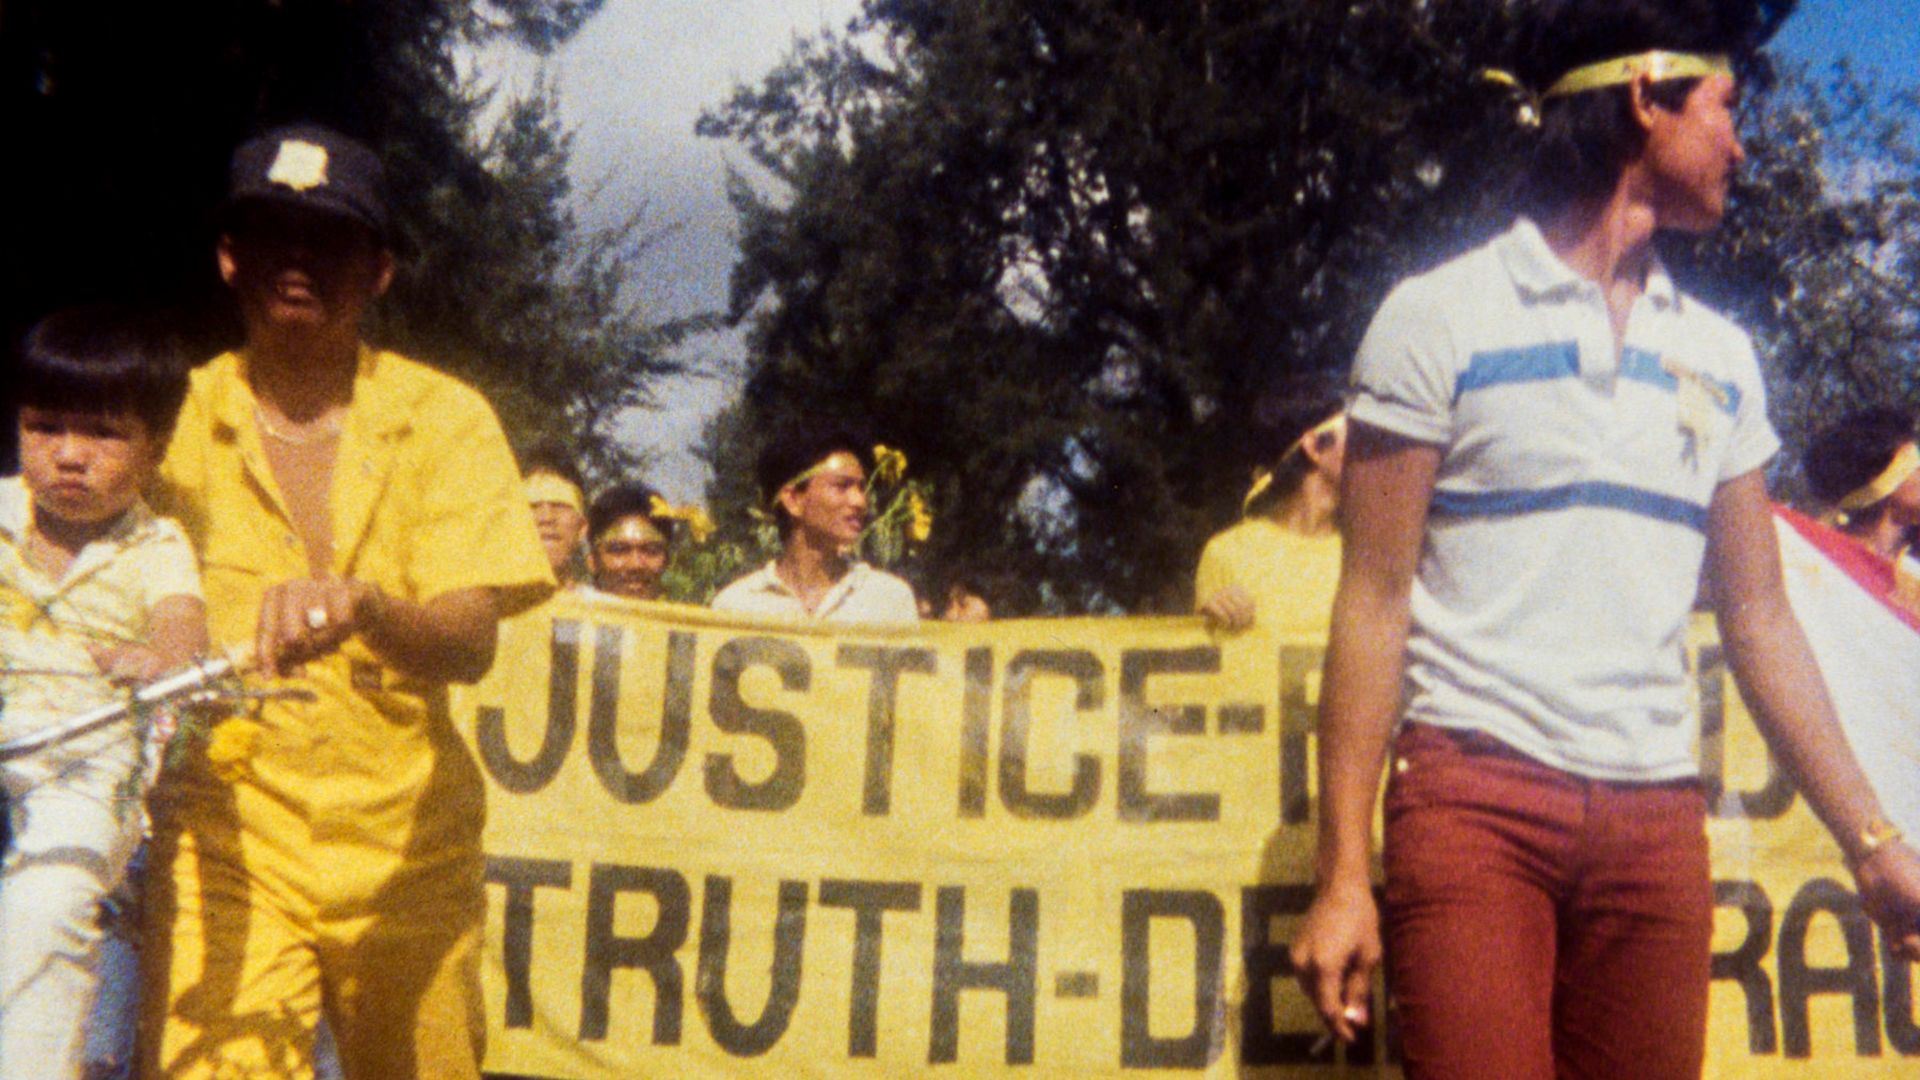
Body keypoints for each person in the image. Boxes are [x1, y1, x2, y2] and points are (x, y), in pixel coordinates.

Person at [1287, 6, 1920, 1079]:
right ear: (1646, 98)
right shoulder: (1436, 316)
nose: (1741, 145)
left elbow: (1760, 618)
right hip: (1473, 805)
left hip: (1656, 827)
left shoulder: (1723, 356)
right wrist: (1345, 872)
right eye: (1727, 108)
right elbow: (1374, 599)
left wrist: (1875, 846)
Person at [141, 123, 553, 1080]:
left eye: (328, 241)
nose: (297, 261)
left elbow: (470, 641)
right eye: (271, 235)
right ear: (227, 257)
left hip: (409, 849)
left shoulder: (447, 419)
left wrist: (370, 609)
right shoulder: (170, 423)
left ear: (379, 271)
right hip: (228, 843)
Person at [0, 306, 207, 1079]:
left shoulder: (155, 545)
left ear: (155, 450)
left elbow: (183, 626)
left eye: (102, 433)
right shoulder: (2, 510)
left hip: (88, 760)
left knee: (46, 905)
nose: (68, 456)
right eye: (44, 426)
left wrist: (163, 658)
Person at [710, 424, 918, 624]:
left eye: (861, 488)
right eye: (841, 486)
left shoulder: (889, 601)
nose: (860, 501)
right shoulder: (735, 606)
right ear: (793, 500)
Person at [1194, 406, 1344, 634]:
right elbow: (1207, 659)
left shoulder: (1368, 558)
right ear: (1313, 446)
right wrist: (1213, 614)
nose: (1376, 449)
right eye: (1360, 434)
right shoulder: (1228, 553)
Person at [582, 483, 676, 602]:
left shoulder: (687, 619)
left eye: (651, 551)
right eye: (619, 550)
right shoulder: (565, 615)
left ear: (667, 561)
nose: (636, 564)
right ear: (592, 560)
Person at [521, 442, 590, 589]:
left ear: (582, 528)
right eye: (533, 506)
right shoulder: (475, 610)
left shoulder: (602, 610)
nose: (546, 517)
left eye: (560, 505)